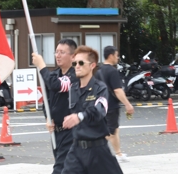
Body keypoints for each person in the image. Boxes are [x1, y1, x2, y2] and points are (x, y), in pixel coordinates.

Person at [60, 45, 123, 174]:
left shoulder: (100, 88)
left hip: (98, 151)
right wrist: (51, 120)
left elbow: (100, 109)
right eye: (75, 63)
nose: (77, 66)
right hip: (76, 150)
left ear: (92, 65)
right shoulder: (73, 89)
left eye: (81, 63)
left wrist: (80, 116)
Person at [32, 39, 77, 174]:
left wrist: (41, 66)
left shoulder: (75, 76)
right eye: (56, 52)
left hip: (71, 131)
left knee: (59, 169)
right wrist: (48, 118)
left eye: (62, 52)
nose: (58, 55)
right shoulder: (54, 75)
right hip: (56, 132)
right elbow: (46, 101)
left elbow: (57, 85)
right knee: (69, 167)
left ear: (73, 56)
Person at [95, 46, 134, 162]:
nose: (117, 58)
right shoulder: (112, 71)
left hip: (101, 105)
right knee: (110, 131)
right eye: (116, 55)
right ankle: (99, 152)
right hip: (111, 105)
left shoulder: (99, 71)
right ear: (111, 56)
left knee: (114, 129)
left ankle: (118, 153)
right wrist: (127, 104)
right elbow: (117, 90)